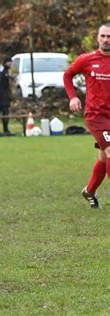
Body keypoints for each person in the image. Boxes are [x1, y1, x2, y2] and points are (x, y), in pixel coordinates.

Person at [64, 23, 110, 209]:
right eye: (103, 36)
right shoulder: (87, 59)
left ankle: (89, 191)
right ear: (97, 38)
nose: (107, 40)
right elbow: (68, 75)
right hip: (96, 116)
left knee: (104, 158)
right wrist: (73, 97)